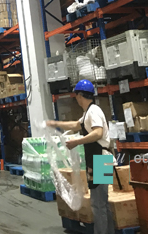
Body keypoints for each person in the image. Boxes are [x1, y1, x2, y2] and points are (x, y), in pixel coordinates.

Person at [46, 80, 115, 234]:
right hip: (99, 160)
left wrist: (77, 142)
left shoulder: (93, 111)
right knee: (101, 203)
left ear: (79, 95)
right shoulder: (88, 113)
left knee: (98, 204)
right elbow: (75, 125)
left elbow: (98, 133)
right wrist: (55, 123)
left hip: (101, 160)